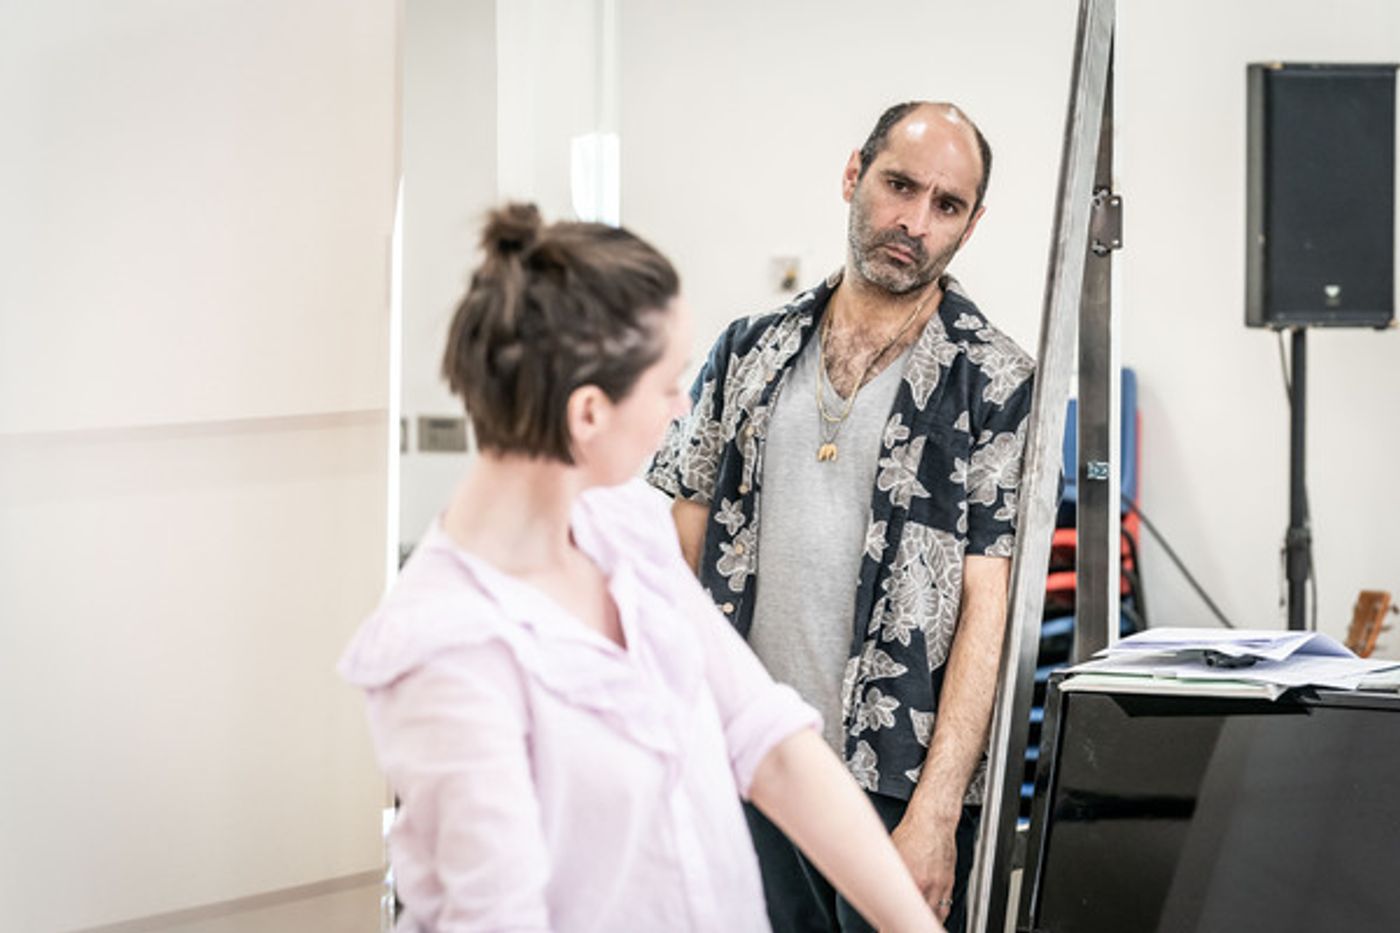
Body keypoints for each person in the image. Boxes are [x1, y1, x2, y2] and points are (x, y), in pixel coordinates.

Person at [338, 203, 943, 932]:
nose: (681, 405)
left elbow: (773, 746)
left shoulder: (623, 528)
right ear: (588, 413)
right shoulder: (447, 644)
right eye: (667, 384)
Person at [647, 101, 1035, 933]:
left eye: (947, 205)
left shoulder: (997, 383)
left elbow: (988, 610)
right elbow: (677, 555)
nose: (914, 222)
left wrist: (936, 812)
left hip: (891, 783)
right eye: (899, 185)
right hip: (745, 766)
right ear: (854, 173)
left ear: (971, 223)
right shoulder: (748, 352)